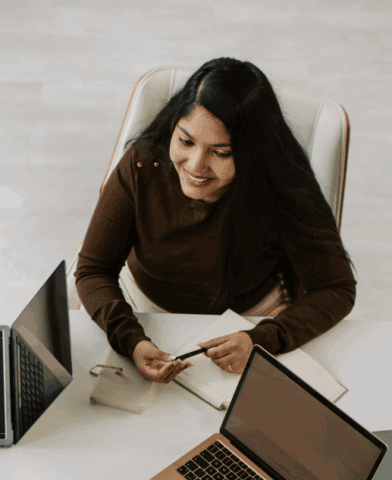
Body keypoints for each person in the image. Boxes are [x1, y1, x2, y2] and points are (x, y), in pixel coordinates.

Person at [75, 57, 356, 383]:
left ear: (252, 152)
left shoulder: (281, 181)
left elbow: (336, 288)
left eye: (220, 153)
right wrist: (131, 340)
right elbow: (93, 270)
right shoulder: (142, 164)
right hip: (143, 309)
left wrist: (261, 340)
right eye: (185, 141)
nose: (196, 166)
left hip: (252, 316)